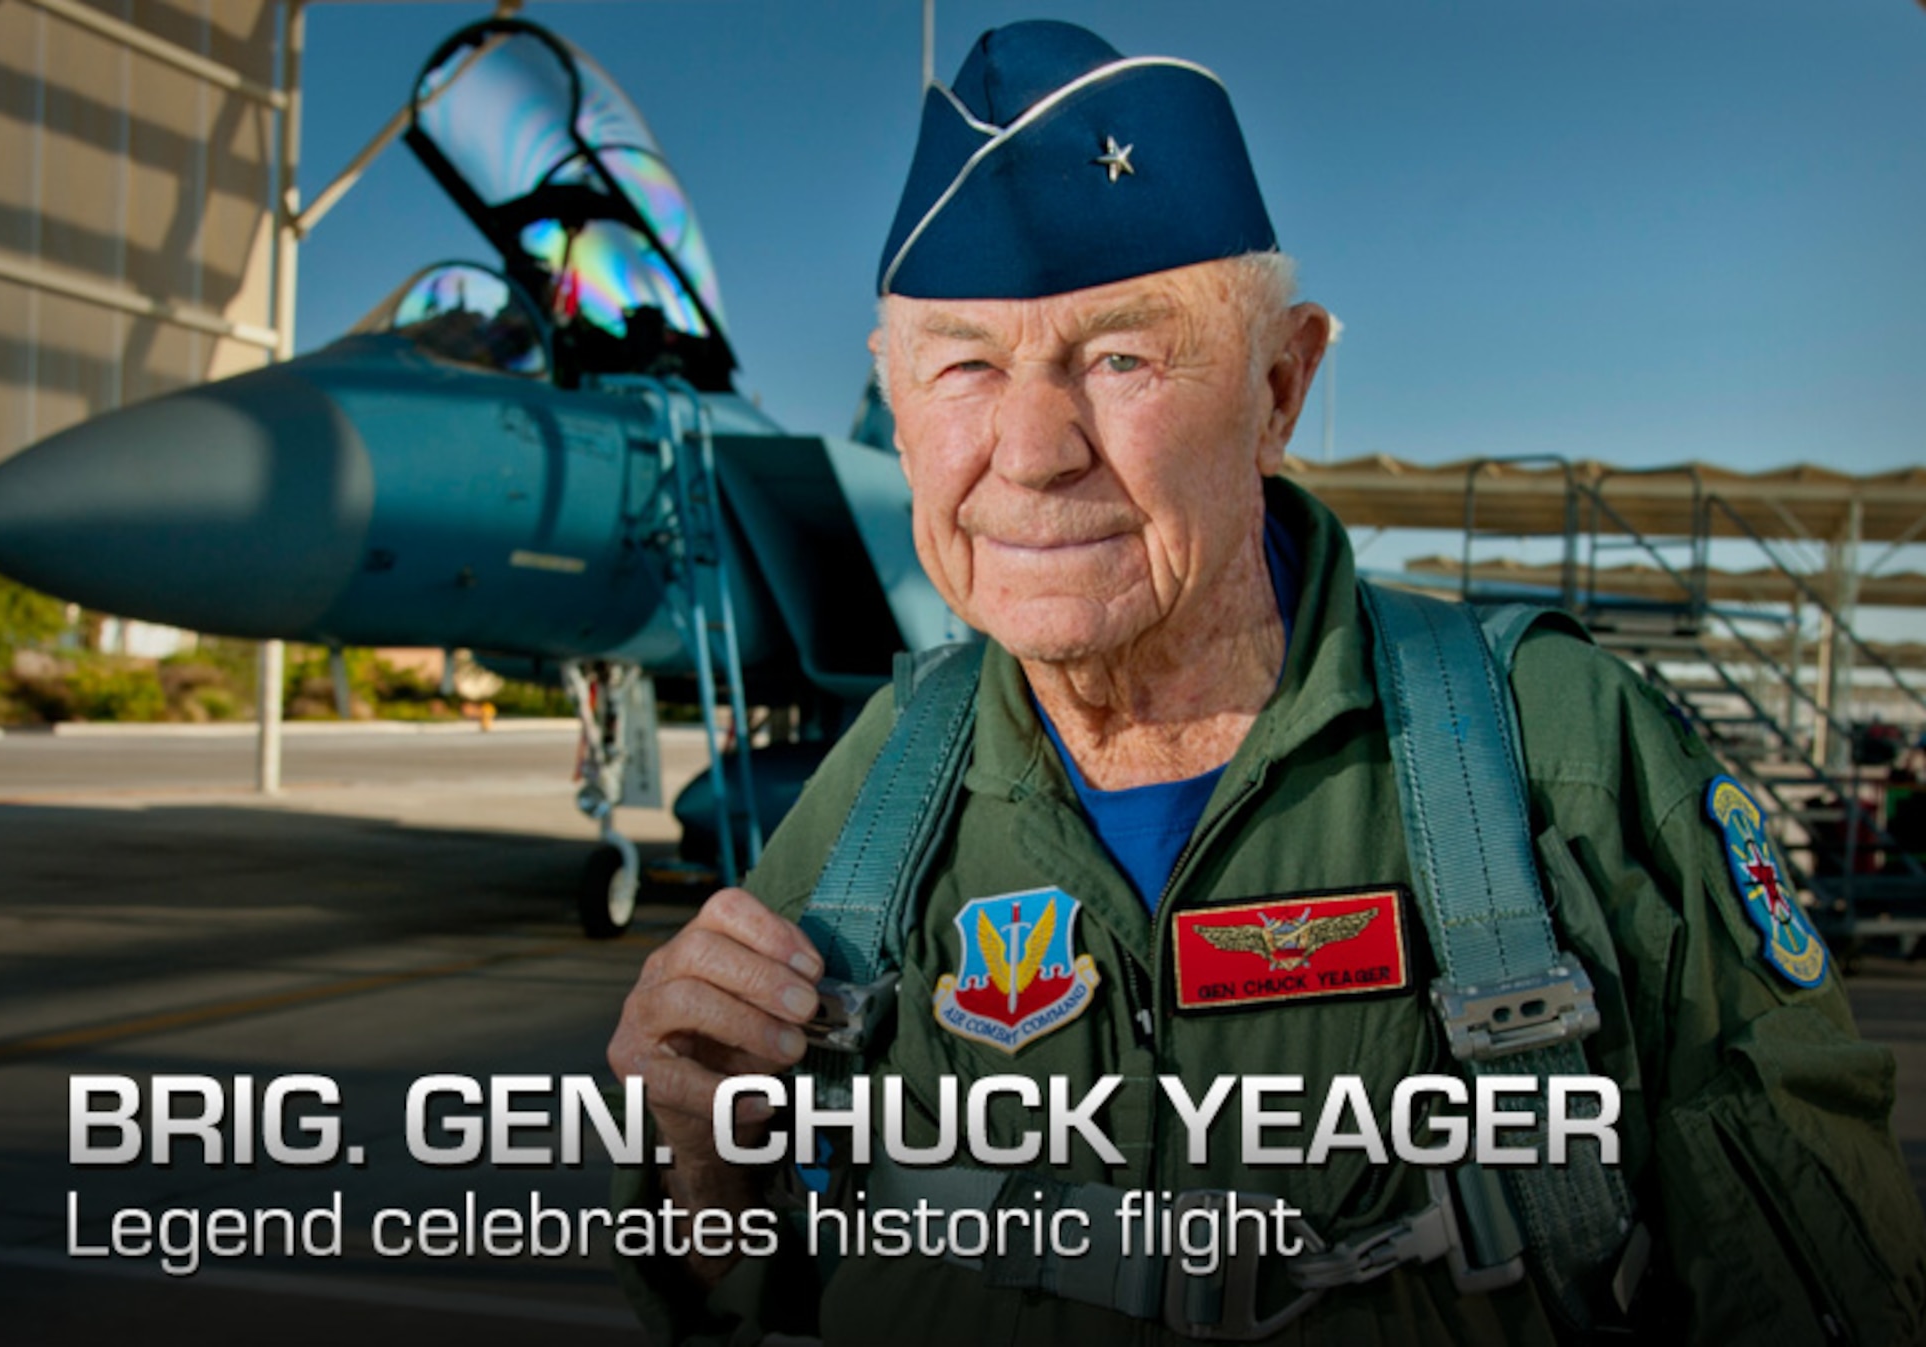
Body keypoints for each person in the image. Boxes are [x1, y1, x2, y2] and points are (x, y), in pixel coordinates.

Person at [607, 20, 1926, 1345]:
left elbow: (1820, 1277)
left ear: (1280, 389)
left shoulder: (1560, 757)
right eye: (963, 365)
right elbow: (713, 1248)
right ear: (897, 409)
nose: (1032, 450)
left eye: (1120, 356)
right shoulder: (881, 787)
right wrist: (689, 1176)